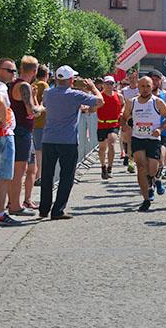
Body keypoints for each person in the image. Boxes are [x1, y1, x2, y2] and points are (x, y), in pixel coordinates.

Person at [39, 65, 104, 220]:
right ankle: (58, 210)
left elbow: (48, 105)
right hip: (67, 140)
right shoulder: (75, 95)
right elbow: (99, 101)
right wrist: (93, 87)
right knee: (67, 176)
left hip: (48, 138)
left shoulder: (48, 93)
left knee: (47, 175)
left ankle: (43, 209)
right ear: (70, 80)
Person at [123, 77, 166, 212]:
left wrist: (160, 129)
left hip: (153, 139)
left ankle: (155, 178)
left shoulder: (157, 102)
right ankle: (145, 199)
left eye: (147, 86)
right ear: (138, 87)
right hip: (138, 138)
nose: (145, 89)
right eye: (142, 86)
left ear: (152, 87)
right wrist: (127, 125)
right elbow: (124, 117)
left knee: (152, 168)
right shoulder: (131, 102)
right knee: (141, 167)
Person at [7, 56, 44, 217]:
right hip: (21, 131)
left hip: (24, 132)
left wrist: (35, 100)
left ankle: (19, 201)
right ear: (34, 71)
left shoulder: (21, 85)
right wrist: (43, 108)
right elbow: (32, 111)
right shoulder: (24, 86)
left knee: (30, 168)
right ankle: (14, 205)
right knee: (19, 171)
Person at [0, 58, 19, 225]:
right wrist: (3, 119)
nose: (13, 74)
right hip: (3, 135)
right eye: (10, 70)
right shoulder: (0, 86)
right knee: (4, 176)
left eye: (14, 71)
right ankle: (0, 213)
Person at [149, 70, 166, 195]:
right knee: (147, 162)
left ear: (161, 81)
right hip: (144, 134)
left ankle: (157, 179)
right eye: (152, 79)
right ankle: (152, 184)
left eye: (157, 79)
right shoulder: (140, 96)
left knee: (160, 159)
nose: (154, 81)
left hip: (162, 132)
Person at [95, 76, 123, 180]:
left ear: (114, 85)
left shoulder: (118, 96)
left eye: (111, 83)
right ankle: (103, 167)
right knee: (102, 148)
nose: (109, 86)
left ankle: (110, 168)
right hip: (102, 124)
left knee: (111, 143)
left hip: (114, 124)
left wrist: (121, 112)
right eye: (107, 83)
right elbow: (93, 108)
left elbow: (123, 105)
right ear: (103, 84)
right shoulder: (99, 96)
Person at [32, 65, 50, 189]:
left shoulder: (32, 84)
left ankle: (37, 175)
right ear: (46, 74)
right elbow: (48, 103)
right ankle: (39, 176)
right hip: (42, 122)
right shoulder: (44, 85)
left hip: (33, 122)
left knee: (37, 150)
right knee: (40, 151)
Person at [121, 68, 140, 174]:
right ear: (127, 78)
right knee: (129, 141)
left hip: (141, 118)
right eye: (130, 78)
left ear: (137, 77)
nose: (132, 80)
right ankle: (131, 162)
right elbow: (123, 105)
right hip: (129, 118)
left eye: (134, 77)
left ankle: (137, 159)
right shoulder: (125, 91)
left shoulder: (141, 89)